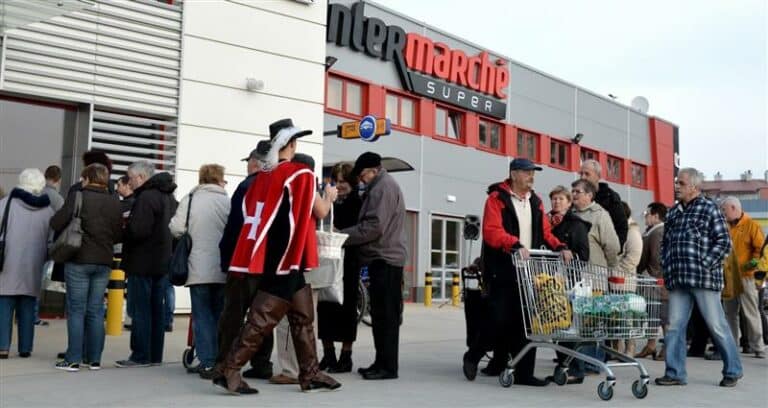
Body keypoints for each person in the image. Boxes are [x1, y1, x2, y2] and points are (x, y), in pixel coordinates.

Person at [215, 118, 340, 395]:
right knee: (261, 319)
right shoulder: (300, 174)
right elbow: (319, 212)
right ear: (291, 144)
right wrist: (329, 196)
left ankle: (310, 373)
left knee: (302, 316)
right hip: (287, 255)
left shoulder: (262, 176)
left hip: (269, 255)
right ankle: (230, 369)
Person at [463, 158, 572, 386]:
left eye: (533, 173)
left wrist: (559, 246)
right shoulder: (497, 199)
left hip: (529, 271)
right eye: (526, 172)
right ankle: (472, 356)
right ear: (513, 174)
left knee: (527, 323)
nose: (531, 177)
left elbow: (544, 231)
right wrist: (513, 243)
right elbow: (491, 231)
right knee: (497, 318)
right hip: (503, 269)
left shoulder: (537, 202)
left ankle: (524, 373)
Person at [655, 167, 742, 387]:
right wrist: (666, 263)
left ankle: (733, 369)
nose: (677, 186)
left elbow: (724, 242)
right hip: (678, 278)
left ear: (694, 186)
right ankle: (675, 373)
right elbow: (665, 243)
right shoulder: (673, 212)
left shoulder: (710, 209)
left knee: (717, 325)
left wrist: (704, 264)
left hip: (703, 279)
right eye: (677, 182)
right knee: (674, 326)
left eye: (681, 183)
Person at [268, 152, 337, 385]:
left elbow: (321, 211)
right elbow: (322, 211)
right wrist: (329, 196)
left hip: (294, 257)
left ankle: (291, 369)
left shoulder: (296, 185)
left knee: (290, 316)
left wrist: (326, 199)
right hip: (306, 257)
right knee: (305, 315)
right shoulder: (306, 186)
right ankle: (304, 368)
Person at [341, 152, 407, 381]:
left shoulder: (383, 188)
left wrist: (341, 236)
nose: (361, 180)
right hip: (382, 257)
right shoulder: (380, 186)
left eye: (362, 175)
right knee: (380, 316)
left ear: (374, 170)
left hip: (385, 259)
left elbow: (374, 227)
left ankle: (388, 367)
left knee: (386, 317)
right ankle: (381, 363)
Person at [214, 140, 275, 382]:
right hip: (268, 262)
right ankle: (262, 364)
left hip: (243, 261)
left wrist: (226, 258)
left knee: (233, 314)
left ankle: (224, 363)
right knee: (261, 316)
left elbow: (235, 227)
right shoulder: (277, 185)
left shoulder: (246, 186)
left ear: (254, 163)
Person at [51, 164, 122, 371]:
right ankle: (94, 359)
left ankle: (73, 358)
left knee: (76, 310)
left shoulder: (78, 196)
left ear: (88, 178)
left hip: (79, 260)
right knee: (96, 310)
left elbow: (56, 223)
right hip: (103, 262)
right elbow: (118, 235)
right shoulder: (114, 201)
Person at [169, 164, 230, 378]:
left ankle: (207, 362)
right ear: (220, 178)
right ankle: (223, 360)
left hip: (198, 268)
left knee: (202, 316)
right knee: (221, 314)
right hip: (223, 268)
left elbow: (176, 228)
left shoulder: (191, 199)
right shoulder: (227, 201)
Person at [115, 161, 178, 368]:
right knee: (156, 310)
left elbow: (138, 230)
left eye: (131, 178)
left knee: (140, 309)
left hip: (142, 262)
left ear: (141, 177)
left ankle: (140, 354)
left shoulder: (146, 197)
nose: (129, 182)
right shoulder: (168, 197)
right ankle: (154, 355)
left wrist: (124, 230)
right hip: (162, 262)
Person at [0, 169, 54, 359]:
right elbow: (51, 239)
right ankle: (25, 348)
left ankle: (3, 347)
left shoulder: (5, 204)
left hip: (7, 262)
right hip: (34, 263)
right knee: (28, 306)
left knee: (4, 305)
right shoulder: (48, 210)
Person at [318, 162, 363, 373]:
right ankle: (328, 355)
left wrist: (340, 232)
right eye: (337, 180)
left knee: (347, 309)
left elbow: (360, 231)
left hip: (349, 261)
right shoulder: (330, 200)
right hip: (328, 259)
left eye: (344, 181)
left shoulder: (358, 202)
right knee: (325, 306)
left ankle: (346, 356)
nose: (340, 185)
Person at [547, 185, 590, 384]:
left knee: (570, 326)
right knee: (557, 324)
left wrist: (569, 255)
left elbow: (584, 254)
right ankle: (564, 365)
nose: (556, 202)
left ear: (569, 202)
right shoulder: (547, 223)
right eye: (554, 199)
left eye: (561, 199)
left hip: (570, 281)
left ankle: (575, 369)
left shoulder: (576, 224)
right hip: (550, 282)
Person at [719, 196, 766, 359]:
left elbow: (760, 250)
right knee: (729, 313)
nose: (722, 213)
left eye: (724, 210)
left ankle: (758, 346)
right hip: (729, 277)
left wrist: (752, 266)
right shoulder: (725, 226)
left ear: (733, 208)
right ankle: (732, 344)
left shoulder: (752, 225)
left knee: (751, 312)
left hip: (747, 276)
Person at [635, 202, 669, 361]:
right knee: (653, 314)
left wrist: (650, 273)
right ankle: (651, 345)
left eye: (647, 214)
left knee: (662, 315)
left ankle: (666, 347)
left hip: (657, 282)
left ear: (655, 216)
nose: (645, 218)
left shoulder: (658, 232)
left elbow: (657, 257)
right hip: (653, 281)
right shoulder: (653, 231)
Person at [611, 201, 643, 356]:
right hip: (613, 280)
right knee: (615, 317)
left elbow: (633, 258)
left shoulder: (632, 232)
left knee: (626, 318)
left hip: (625, 281)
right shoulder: (618, 230)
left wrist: (615, 271)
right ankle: (616, 348)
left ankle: (630, 347)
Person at [570, 179, 620, 268]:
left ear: (589, 195)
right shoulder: (569, 214)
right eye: (572, 191)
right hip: (572, 273)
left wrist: (612, 267)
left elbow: (611, 246)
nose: (573, 194)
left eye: (577, 192)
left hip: (594, 275)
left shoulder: (600, 215)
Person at [579, 160, 628, 248]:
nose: (583, 177)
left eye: (587, 174)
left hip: (601, 256)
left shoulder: (611, 198)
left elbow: (621, 228)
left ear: (598, 176)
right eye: (581, 174)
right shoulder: (576, 197)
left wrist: (613, 252)